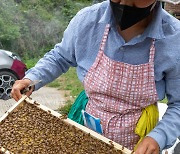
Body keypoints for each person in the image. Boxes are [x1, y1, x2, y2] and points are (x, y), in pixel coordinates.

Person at [11, 0, 180, 153]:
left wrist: (158, 137)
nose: (125, 3)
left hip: (138, 141)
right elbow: (60, 57)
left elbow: (178, 104)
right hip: (86, 130)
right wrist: (31, 78)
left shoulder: (174, 39)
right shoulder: (87, 20)